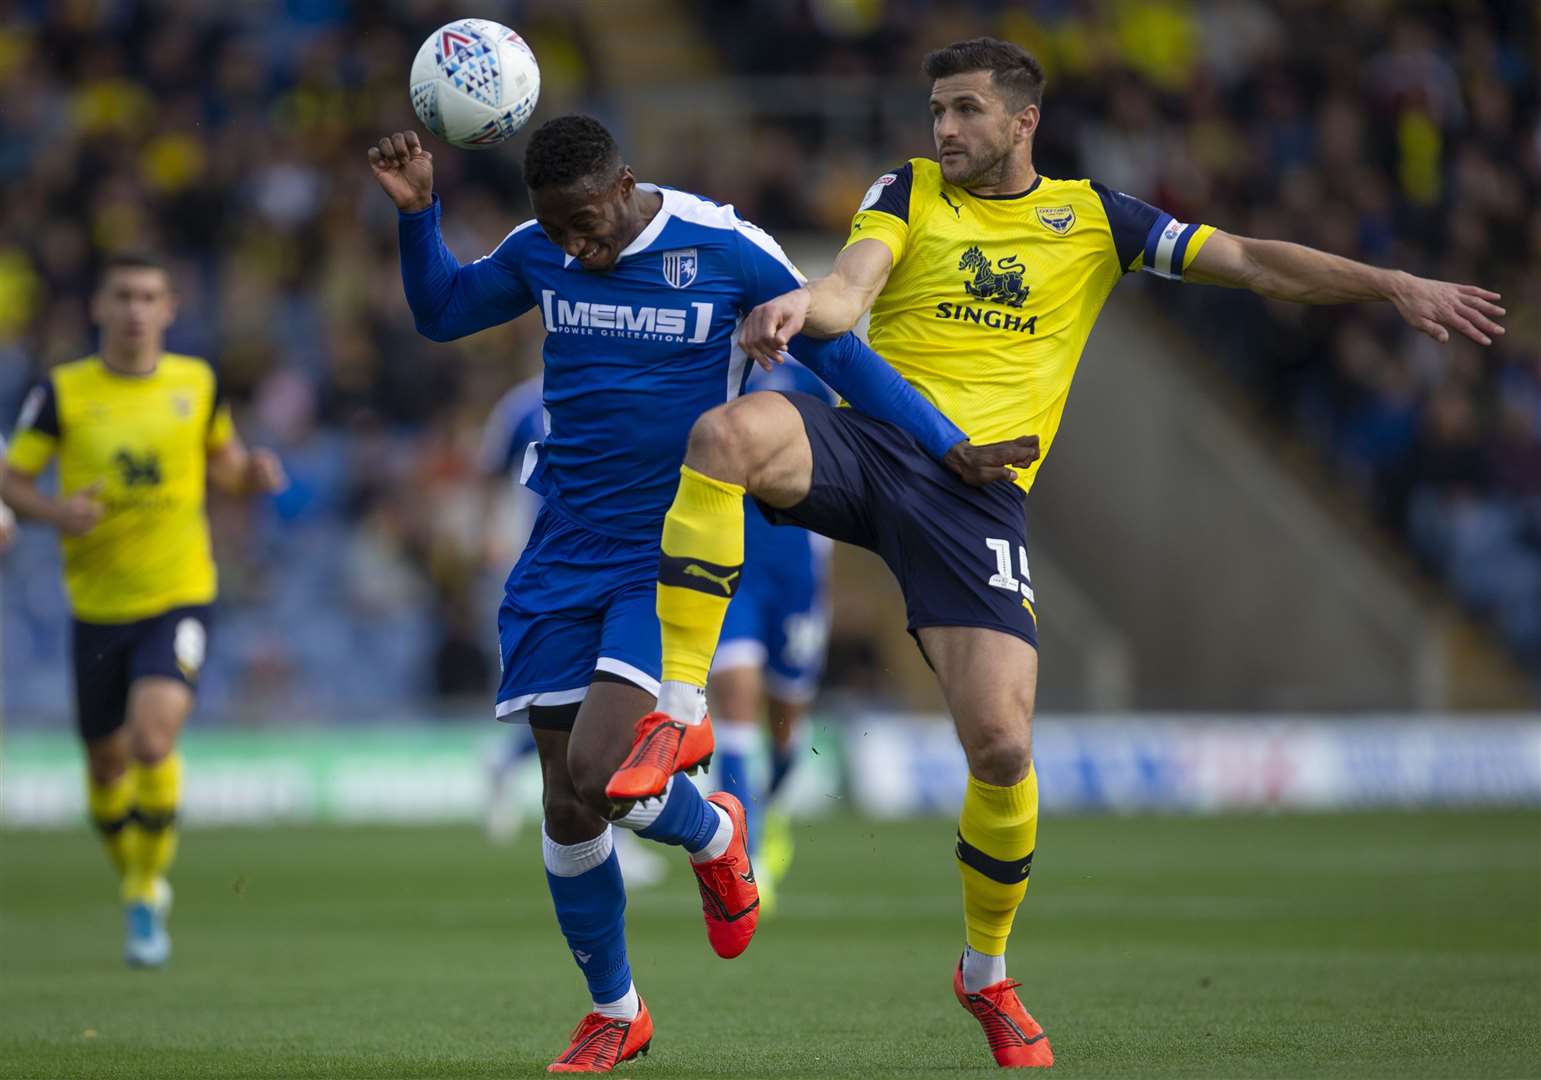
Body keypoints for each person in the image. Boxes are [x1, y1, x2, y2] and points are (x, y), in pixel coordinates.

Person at [608, 36, 1507, 1070]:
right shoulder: (905, 192)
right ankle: (679, 719)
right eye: (935, 110)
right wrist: (801, 304)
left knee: (998, 747)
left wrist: (1388, 282)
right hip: (870, 440)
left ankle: (985, 974)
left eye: (964, 112)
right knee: (725, 436)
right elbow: (853, 290)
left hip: (975, 496)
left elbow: (1252, 261)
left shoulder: (1095, 221)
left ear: (1022, 120)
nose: (943, 129)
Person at [367, 115, 1030, 1072]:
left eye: (586, 223)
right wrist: (419, 217)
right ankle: (617, 1009)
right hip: (560, 546)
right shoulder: (539, 250)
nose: (574, 246)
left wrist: (944, 445)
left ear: (626, 184)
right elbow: (440, 312)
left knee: (601, 768)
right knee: (565, 805)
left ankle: (715, 828)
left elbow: (844, 361)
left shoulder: (722, 248)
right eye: (555, 228)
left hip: (665, 551)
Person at [1, 253, 286, 968]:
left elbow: (224, 462)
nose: (136, 309)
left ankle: (142, 888)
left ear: (170, 308)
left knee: (152, 743)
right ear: (98, 307)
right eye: (123, 296)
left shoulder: (197, 382)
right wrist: (52, 511)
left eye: (149, 296)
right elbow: (12, 480)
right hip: (96, 606)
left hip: (179, 593)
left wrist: (249, 475)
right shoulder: (64, 393)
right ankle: (133, 871)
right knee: (104, 768)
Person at [476, 375, 668, 888]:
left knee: (609, 711)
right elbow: (493, 475)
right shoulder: (517, 406)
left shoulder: (639, 377)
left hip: (624, 565)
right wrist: (494, 537)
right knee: (584, 725)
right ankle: (628, 834)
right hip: (550, 566)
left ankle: (507, 764)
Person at [707, 359, 834, 912]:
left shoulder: (815, 379)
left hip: (795, 569)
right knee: (734, 701)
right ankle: (743, 858)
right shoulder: (718, 364)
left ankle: (772, 810)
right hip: (729, 560)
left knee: (787, 725)